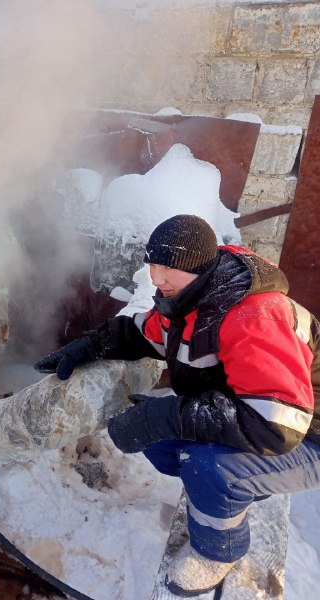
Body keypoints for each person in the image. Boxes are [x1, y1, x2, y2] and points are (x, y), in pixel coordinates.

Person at [34, 214, 320, 597]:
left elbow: (276, 424)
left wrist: (164, 415)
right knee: (164, 446)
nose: (156, 278)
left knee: (208, 467)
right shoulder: (189, 299)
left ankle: (218, 553)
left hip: (306, 430)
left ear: (199, 268)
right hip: (261, 411)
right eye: (152, 265)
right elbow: (143, 333)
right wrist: (90, 345)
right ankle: (244, 484)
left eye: (167, 268)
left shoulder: (254, 315)